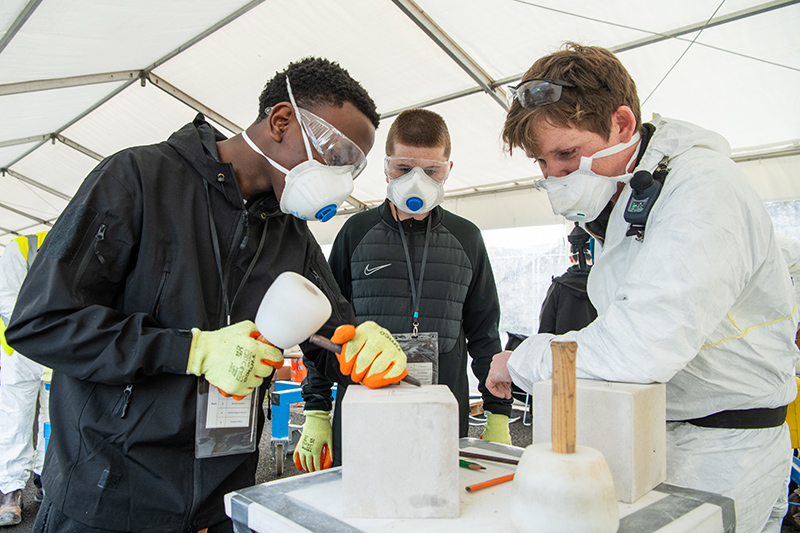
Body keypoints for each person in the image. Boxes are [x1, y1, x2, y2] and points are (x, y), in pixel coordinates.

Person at [5, 57, 409, 533]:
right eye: (337, 156)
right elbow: (43, 322)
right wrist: (192, 349)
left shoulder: (290, 234)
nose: (341, 181)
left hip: (221, 504)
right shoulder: (137, 179)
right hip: (109, 499)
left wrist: (358, 345)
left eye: (352, 169)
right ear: (281, 120)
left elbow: (327, 333)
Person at [486, 43, 798, 533]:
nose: (554, 176)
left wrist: (524, 359)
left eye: (567, 154)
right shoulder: (632, 198)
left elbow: (641, 346)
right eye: (541, 163)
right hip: (664, 435)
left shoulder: (702, 189)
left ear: (623, 124)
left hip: (721, 453)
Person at [293, 109, 511, 473]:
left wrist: (498, 415)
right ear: (385, 167)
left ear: (449, 169)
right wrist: (317, 410)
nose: (416, 181)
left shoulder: (467, 238)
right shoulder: (355, 232)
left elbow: (483, 332)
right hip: (364, 409)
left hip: (441, 414)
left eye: (431, 171)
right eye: (404, 169)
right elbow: (326, 329)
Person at [0, 231, 49, 526]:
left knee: (54, 416)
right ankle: (10, 491)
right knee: (16, 417)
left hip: (58, 347)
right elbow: (8, 302)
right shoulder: (21, 247)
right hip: (20, 350)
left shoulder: (83, 249)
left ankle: (46, 479)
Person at [538, 223, 597, 335]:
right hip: (597, 350)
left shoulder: (558, 287)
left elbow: (545, 331)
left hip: (565, 351)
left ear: (570, 258)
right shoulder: (601, 284)